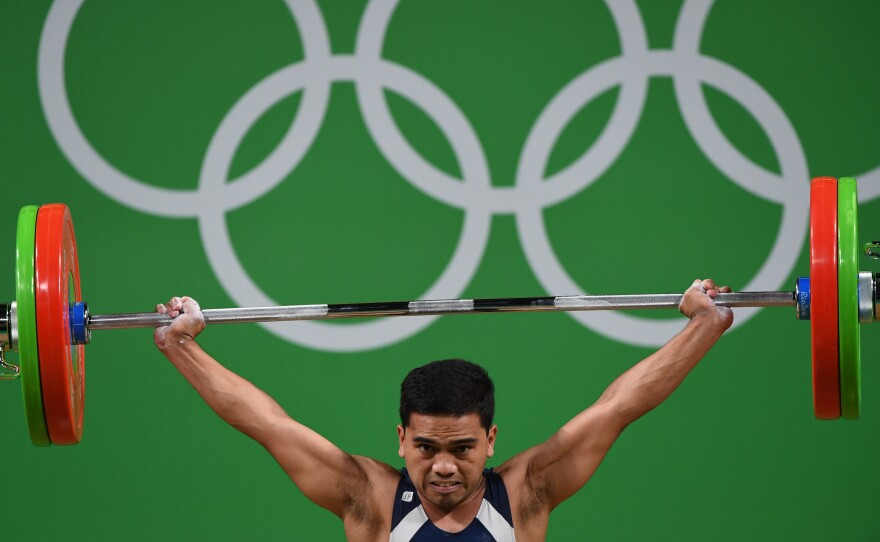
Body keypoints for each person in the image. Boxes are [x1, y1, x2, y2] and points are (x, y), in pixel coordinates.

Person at [154, 279, 733, 541]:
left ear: (491, 439)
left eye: (462, 448)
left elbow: (619, 406)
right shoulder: (370, 499)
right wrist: (181, 346)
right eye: (426, 448)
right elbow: (266, 423)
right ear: (401, 439)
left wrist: (703, 328)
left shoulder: (526, 493)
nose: (444, 467)